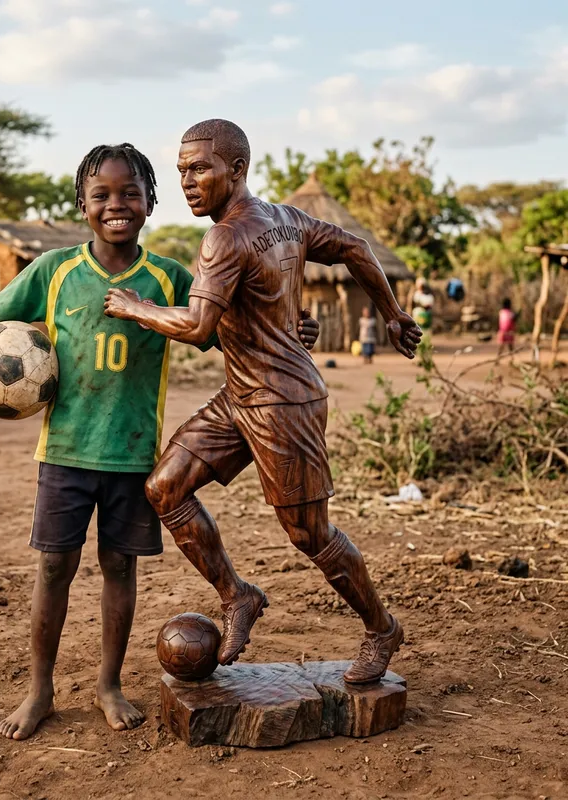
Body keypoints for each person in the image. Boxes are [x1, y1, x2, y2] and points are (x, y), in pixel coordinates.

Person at [0, 142, 323, 740]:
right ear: (82, 204)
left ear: (150, 202)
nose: (116, 204)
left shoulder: (169, 278)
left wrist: (289, 328)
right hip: (65, 453)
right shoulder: (54, 270)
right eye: (101, 195)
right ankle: (39, 689)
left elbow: (230, 328)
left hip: (133, 454)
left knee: (119, 567)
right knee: (54, 567)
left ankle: (108, 684)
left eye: (130, 193)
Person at [104, 119, 422, 685]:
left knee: (310, 535)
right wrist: (391, 313)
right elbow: (353, 248)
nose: (188, 181)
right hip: (240, 397)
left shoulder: (226, 237)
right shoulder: (287, 219)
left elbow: (198, 324)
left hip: (283, 404)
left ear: (237, 169)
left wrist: (136, 308)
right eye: (181, 170)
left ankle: (382, 629)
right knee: (165, 488)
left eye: (199, 169)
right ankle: (239, 595)